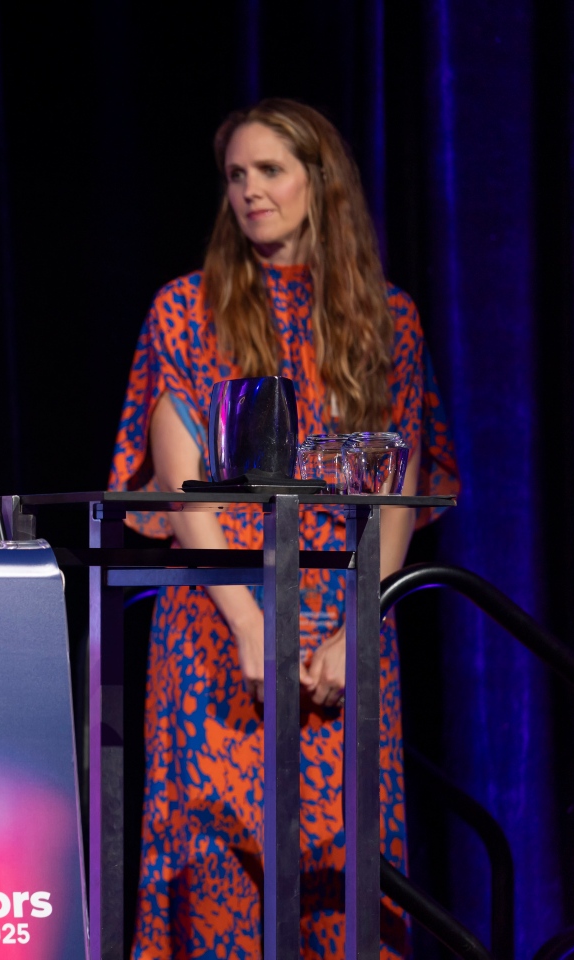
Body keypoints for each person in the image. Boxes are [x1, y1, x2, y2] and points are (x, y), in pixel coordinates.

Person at [108, 99, 458, 958]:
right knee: (217, 873)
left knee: (343, 871)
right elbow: (185, 492)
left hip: (345, 616)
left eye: (270, 171)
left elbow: (398, 494)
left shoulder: (389, 318)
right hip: (218, 614)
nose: (250, 191)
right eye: (236, 175)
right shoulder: (186, 309)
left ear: (320, 182)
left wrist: (359, 628)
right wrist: (249, 625)